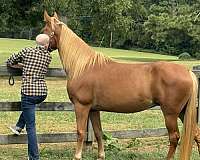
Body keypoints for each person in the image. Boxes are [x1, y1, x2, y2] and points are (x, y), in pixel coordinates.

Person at [6, 34, 52, 160]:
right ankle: (18, 126)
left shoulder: (27, 51)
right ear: (47, 45)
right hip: (42, 93)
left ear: (36, 42)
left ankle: (34, 157)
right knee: (28, 111)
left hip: (29, 92)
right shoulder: (48, 56)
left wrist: (20, 65)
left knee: (31, 127)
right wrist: (25, 65)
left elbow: (10, 61)